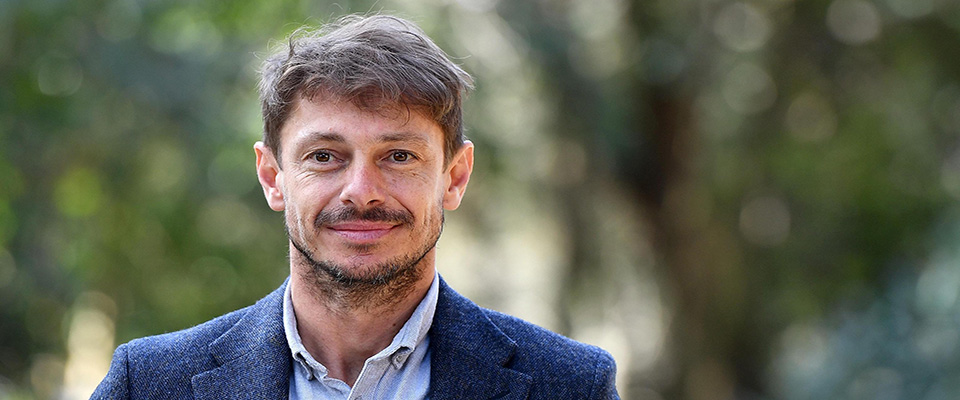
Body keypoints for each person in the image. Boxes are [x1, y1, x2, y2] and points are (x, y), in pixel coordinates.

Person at [92, 14, 618, 399]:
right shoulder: (151, 383)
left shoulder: (571, 386)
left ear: (453, 177)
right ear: (273, 177)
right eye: (324, 156)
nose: (361, 190)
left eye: (398, 156)